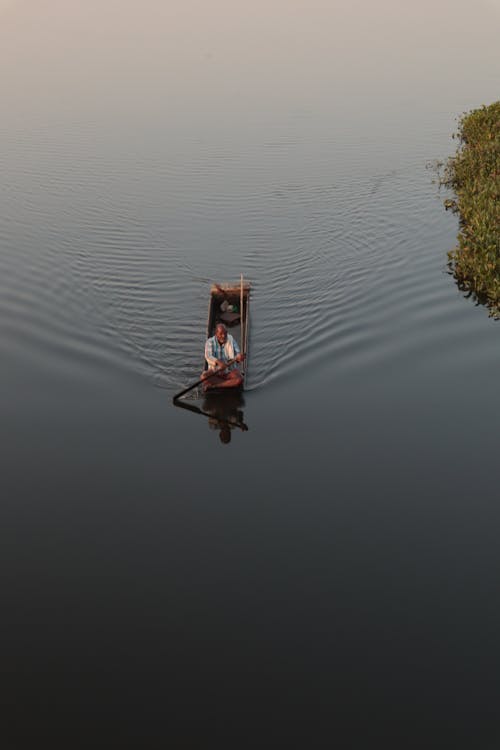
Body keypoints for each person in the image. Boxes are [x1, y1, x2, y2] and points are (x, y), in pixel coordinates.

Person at [201, 323, 245, 390]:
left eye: (225, 333)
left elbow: (237, 353)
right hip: (215, 371)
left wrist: (239, 357)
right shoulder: (210, 342)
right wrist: (219, 362)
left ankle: (215, 386)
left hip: (229, 371)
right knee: (203, 377)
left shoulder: (231, 339)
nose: (223, 336)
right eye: (221, 334)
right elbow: (208, 356)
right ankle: (229, 384)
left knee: (239, 379)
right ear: (216, 334)